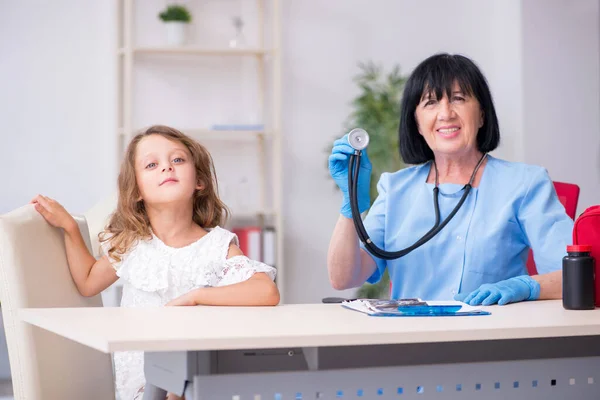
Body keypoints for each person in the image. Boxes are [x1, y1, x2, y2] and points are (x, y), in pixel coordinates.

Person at [32, 125, 279, 400]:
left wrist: (196, 296)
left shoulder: (217, 245)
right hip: (141, 381)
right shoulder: (132, 244)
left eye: (178, 160)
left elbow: (266, 291)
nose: (167, 168)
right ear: (136, 190)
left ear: (200, 180)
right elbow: (89, 281)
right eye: (152, 164)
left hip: (194, 379)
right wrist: (69, 228)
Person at [327, 53, 573, 307]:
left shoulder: (525, 183)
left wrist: (526, 286)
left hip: (491, 337)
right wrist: (350, 204)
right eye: (430, 102)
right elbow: (343, 278)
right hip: (411, 339)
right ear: (417, 123)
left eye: (458, 98)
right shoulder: (395, 189)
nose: (445, 114)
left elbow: (579, 275)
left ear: (482, 115)